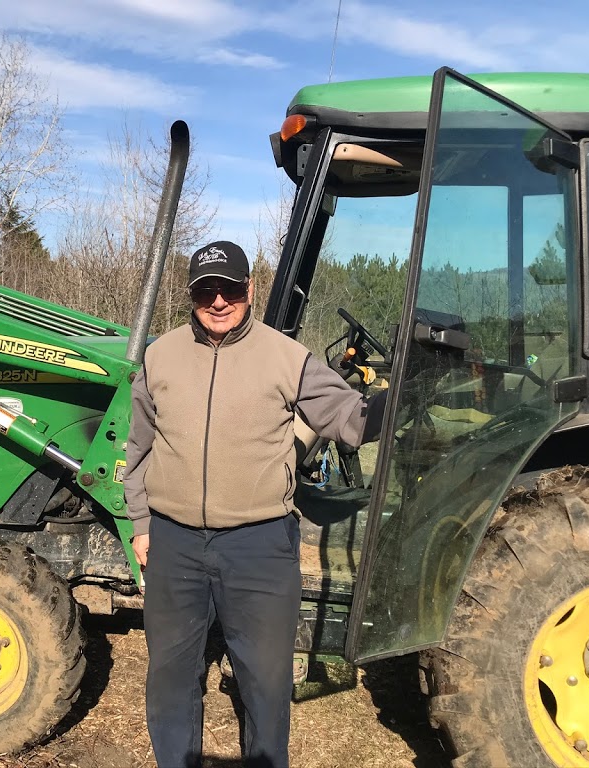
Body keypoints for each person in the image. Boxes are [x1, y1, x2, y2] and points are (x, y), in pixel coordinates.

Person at [124, 240, 384, 768]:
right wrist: (142, 522)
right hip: (173, 543)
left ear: (250, 289)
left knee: (264, 683)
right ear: (191, 295)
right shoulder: (160, 355)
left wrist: (404, 398)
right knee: (171, 676)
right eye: (205, 291)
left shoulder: (287, 358)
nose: (218, 302)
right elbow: (139, 447)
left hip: (260, 545)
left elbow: (350, 420)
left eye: (230, 289)